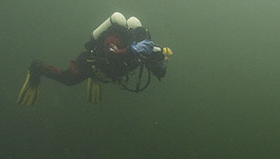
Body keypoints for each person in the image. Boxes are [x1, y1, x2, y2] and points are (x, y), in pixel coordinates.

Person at [17, 13, 172, 106]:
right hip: (90, 63)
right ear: (130, 35)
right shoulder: (115, 37)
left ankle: (96, 79)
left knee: (102, 73)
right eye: (137, 38)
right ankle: (36, 68)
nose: (140, 41)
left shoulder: (142, 49)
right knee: (68, 79)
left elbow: (160, 73)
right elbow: (110, 54)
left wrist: (159, 60)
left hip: (105, 72)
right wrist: (133, 50)